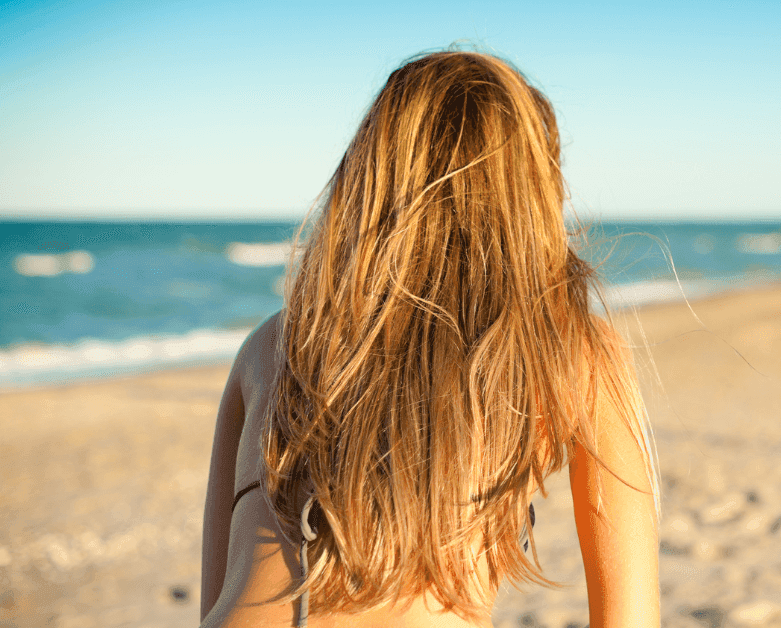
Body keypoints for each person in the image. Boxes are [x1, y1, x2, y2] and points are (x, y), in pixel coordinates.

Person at [200, 50, 660, 628]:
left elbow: (212, 596)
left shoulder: (270, 345)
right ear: (534, 195)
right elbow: (630, 617)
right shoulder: (571, 352)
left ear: (367, 180)